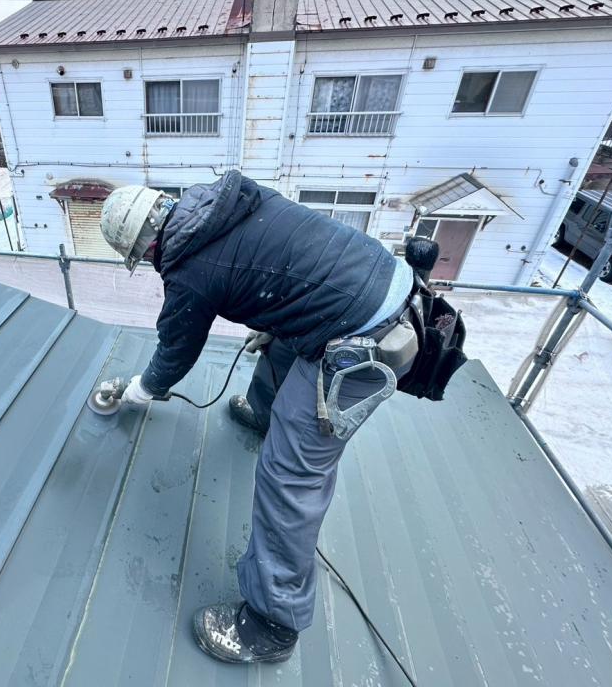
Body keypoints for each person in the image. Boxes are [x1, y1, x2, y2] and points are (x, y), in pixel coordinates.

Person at [98, 170, 463, 665]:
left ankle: (273, 622)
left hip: (364, 338)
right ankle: (266, 410)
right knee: (283, 339)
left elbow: (176, 350)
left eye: (142, 259)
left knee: (289, 474)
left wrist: (143, 389)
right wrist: (277, 322)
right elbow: (283, 264)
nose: (149, 265)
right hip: (383, 282)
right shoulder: (229, 204)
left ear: (145, 243)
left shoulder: (189, 268)